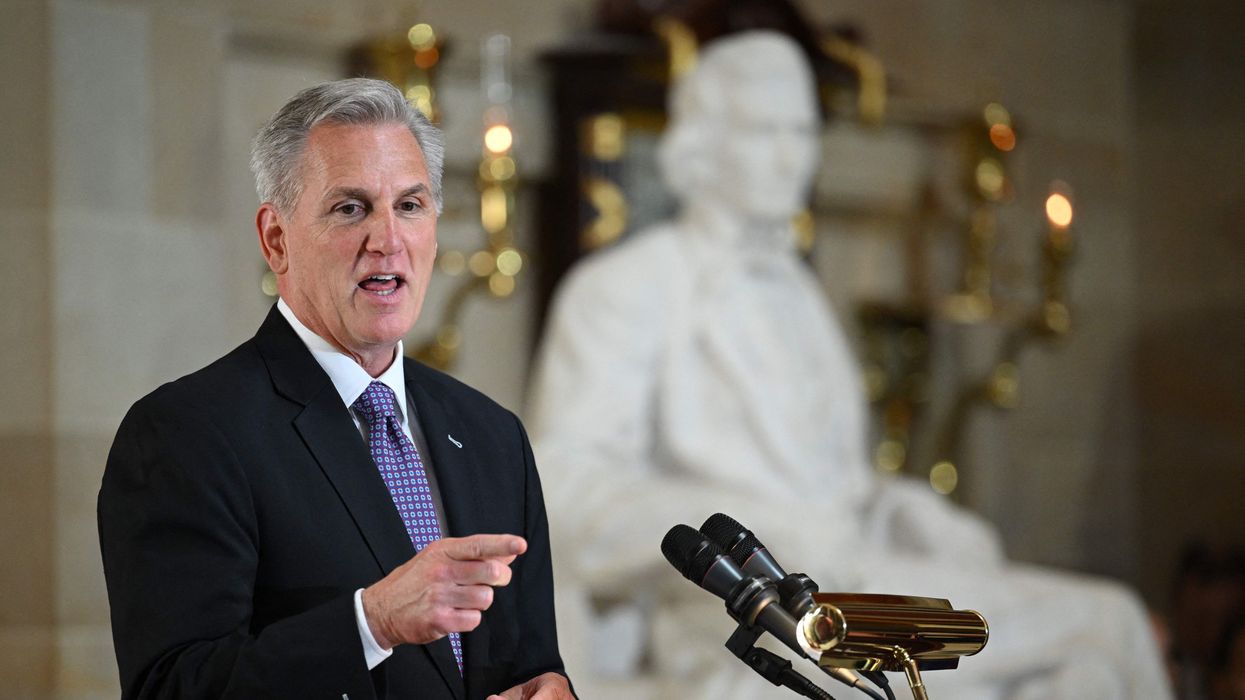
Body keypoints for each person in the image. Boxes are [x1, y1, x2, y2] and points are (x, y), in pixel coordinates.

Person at [528, 31, 1171, 699]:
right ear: (701, 140)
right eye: (762, 131)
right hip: (745, 616)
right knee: (1110, 625)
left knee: (1084, 673)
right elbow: (567, 495)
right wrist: (755, 525)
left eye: (802, 131)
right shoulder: (624, 288)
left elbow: (837, 489)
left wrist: (899, 507)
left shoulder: (798, 292)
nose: (789, 158)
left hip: (858, 579)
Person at [98, 78, 572, 700]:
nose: (388, 240)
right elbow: (173, 689)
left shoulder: (491, 433)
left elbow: (533, 666)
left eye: (410, 205)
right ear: (276, 239)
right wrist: (370, 623)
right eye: (351, 208)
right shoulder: (185, 434)